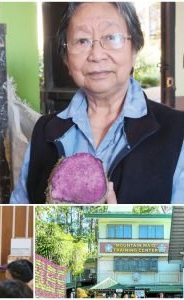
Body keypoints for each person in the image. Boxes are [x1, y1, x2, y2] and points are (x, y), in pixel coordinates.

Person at [10, 2, 184, 204]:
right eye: (82, 41)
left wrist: (119, 232)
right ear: (66, 59)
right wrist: (58, 232)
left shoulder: (177, 131)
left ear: (134, 49)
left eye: (111, 38)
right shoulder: (44, 132)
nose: (96, 55)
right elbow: (22, 220)